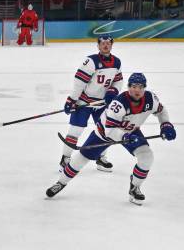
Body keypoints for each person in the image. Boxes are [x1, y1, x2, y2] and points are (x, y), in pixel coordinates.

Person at [47, 73, 175, 205]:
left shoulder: (151, 99)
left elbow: (161, 111)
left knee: (147, 157)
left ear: (145, 88)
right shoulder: (118, 104)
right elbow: (110, 131)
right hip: (104, 134)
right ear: (128, 87)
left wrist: (166, 124)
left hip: (131, 131)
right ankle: (61, 182)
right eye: (134, 86)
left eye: (141, 87)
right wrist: (126, 136)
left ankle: (135, 187)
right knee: (80, 159)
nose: (137, 90)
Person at [60, 34, 123, 173]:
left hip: (101, 104)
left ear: (111, 45)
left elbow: (118, 81)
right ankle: (65, 159)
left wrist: (113, 91)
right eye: (102, 43)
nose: (105, 45)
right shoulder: (91, 61)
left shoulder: (116, 62)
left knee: (107, 131)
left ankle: (101, 157)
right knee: (75, 130)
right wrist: (72, 100)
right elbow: (79, 82)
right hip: (84, 102)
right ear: (98, 46)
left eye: (108, 43)